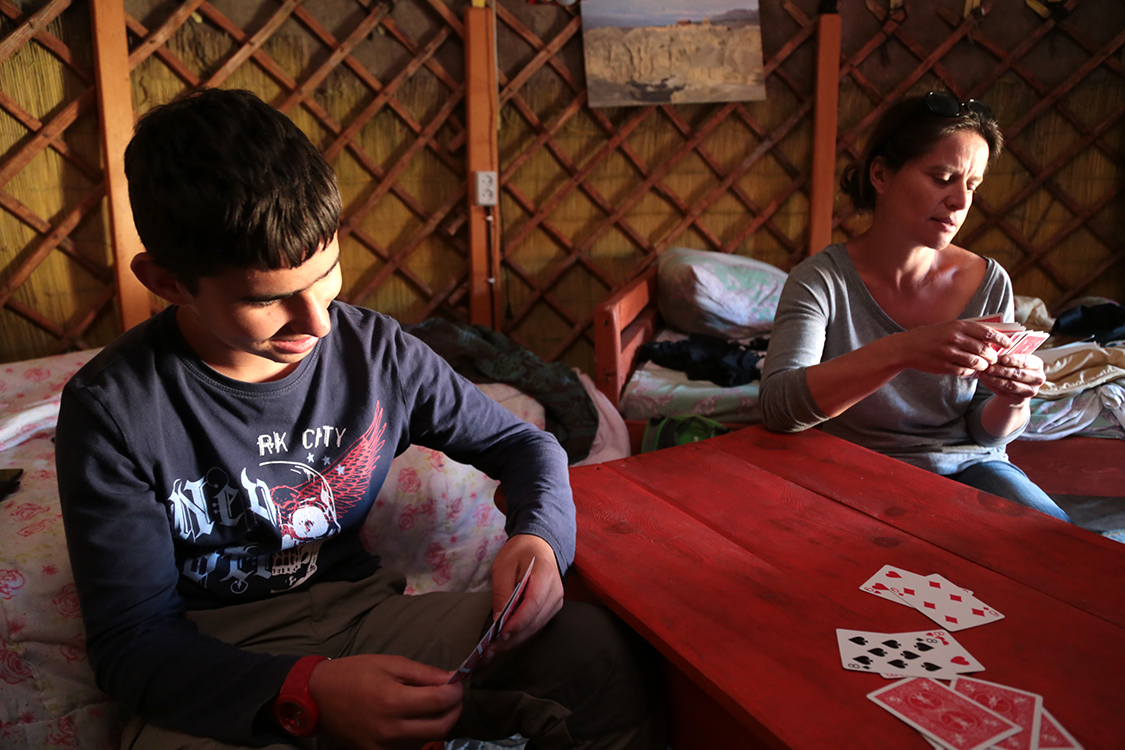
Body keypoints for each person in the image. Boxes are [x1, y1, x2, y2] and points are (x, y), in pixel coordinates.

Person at [55, 87, 663, 750]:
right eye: (269, 301)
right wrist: (302, 694)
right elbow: (131, 645)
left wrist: (540, 541)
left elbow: (524, 447)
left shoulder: (376, 354)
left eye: (328, 274)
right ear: (168, 282)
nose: (317, 322)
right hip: (215, 657)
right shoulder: (113, 409)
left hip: (363, 618)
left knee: (592, 651)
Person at [759, 91, 1070, 522]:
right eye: (942, 178)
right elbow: (779, 408)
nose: (960, 203)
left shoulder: (988, 281)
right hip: (849, 467)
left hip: (967, 468)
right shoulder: (822, 281)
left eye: (972, 185)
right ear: (881, 175)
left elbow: (984, 432)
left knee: (1062, 552)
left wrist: (1014, 399)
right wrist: (905, 349)